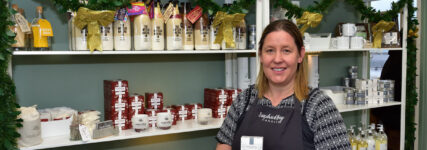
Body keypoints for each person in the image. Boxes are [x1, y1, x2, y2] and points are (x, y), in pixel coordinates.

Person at [215, 20, 351, 150]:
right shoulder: (244, 99)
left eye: (286, 50)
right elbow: (224, 144)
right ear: (261, 56)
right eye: (270, 50)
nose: (277, 59)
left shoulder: (318, 106)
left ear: (300, 55)